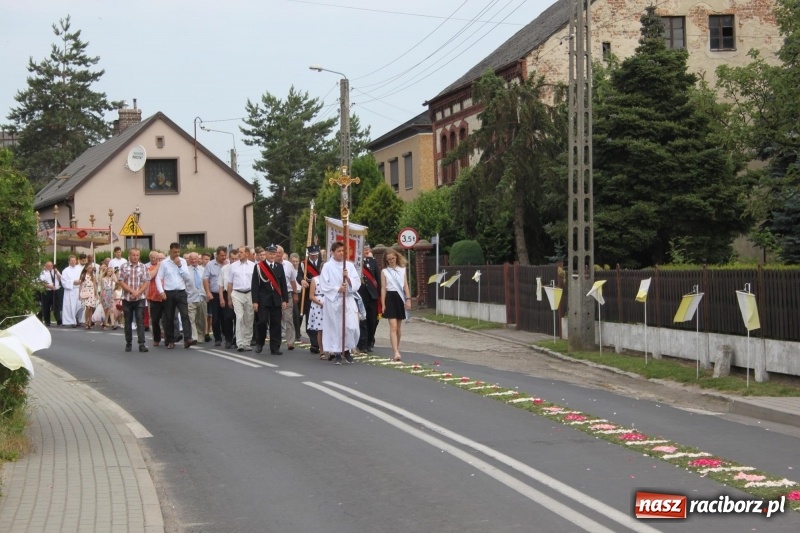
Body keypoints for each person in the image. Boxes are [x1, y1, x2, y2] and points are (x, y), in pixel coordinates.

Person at [318, 241, 361, 364]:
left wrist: (347, 278)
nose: (341, 253)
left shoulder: (349, 265)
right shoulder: (327, 266)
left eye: (343, 251)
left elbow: (357, 282)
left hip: (347, 299)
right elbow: (324, 284)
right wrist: (338, 289)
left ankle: (347, 348)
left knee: (351, 326)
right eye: (339, 251)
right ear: (332, 252)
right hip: (334, 301)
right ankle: (338, 352)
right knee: (336, 327)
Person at [155, 242, 196, 349]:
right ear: (170, 251)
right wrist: (161, 291)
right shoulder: (164, 263)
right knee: (169, 317)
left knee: (185, 315)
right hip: (169, 292)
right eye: (174, 252)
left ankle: (188, 338)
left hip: (181, 291)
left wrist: (180, 266)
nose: (176, 254)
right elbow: (158, 278)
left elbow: (187, 277)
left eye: (178, 252)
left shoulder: (182, 261)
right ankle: (170, 340)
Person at [251, 244, 289, 354]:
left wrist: (285, 300)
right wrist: (255, 301)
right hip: (263, 299)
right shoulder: (259, 267)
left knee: (276, 323)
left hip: (276, 299)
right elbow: (255, 285)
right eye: (270, 253)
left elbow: (283, 285)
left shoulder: (279, 266)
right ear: (266, 254)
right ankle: (260, 343)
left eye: (274, 254)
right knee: (262, 322)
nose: (272, 256)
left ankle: (275, 347)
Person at [381, 249, 412, 362]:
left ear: (396, 258)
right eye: (389, 260)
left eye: (393, 259)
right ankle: (395, 352)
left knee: (398, 328)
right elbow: (383, 288)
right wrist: (383, 303)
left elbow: (406, 286)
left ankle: (397, 349)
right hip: (390, 297)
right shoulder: (384, 272)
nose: (391, 261)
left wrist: (408, 299)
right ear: (387, 260)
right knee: (393, 326)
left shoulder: (402, 270)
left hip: (400, 298)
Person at [118, 248, 150, 352]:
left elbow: (146, 281)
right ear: (129, 255)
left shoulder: (143, 267)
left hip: (139, 298)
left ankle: (142, 344)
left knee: (140, 320)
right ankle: (128, 343)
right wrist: (132, 291)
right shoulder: (124, 266)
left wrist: (138, 292)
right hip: (127, 298)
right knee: (128, 321)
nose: (135, 257)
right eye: (133, 255)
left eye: (137, 255)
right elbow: (121, 281)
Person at [226, 246, 255, 352]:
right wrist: (229, 298)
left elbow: (256, 283)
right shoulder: (233, 266)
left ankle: (247, 342)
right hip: (237, 293)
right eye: (238, 252)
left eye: (241, 252)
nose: (239, 254)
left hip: (250, 293)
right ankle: (240, 343)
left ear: (247, 253)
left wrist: (256, 298)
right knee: (239, 317)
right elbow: (230, 283)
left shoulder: (253, 266)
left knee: (249, 318)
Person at [297, 245, 323, 353]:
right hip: (308, 294)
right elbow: (299, 276)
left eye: (316, 255)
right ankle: (314, 344)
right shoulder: (304, 264)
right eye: (312, 255)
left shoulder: (323, 263)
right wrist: (301, 281)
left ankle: (321, 344)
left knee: (321, 323)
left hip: (321, 294)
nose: (314, 257)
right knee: (310, 320)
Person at [357, 243, 381, 353]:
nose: (366, 251)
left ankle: (370, 341)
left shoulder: (373, 262)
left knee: (372, 320)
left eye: (368, 249)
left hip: (373, 295)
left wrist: (380, 295)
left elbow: (378, 278)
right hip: (361, 295)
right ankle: (362, 343)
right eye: (364, 249)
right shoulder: (356, 263)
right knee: (363, 320)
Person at [203, 246, 227, 346]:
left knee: (226, 317)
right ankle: (217, 338)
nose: (224, 257)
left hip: (226, 293)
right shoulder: (210, 265)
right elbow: (205, 279)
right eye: (222, 255)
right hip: (214, 294)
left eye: (225, 255)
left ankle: (226, 335)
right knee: (215, 317)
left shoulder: (228, 264)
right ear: (217, 255)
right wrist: (208, 292)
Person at [276, 245, 296, 350]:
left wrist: (295, 293)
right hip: (274, 294)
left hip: (287, 294)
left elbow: (293, 280)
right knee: (275, 319)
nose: (278, 255)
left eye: (280, 253)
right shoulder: (270, 265)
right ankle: (276, 340)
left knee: (288, 318)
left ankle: (290, 341)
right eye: (276, 252)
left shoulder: (288, 265)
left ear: (283, 253)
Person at [218, 247, 238, 348]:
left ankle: (237, 338)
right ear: (229, 258)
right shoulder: (224, 269)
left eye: (236, 259)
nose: (234, 261)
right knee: (227, 318)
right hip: (227, 294)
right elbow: (221, 285)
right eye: (232, 259)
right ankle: (228, 339)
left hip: (238, 293)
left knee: (238, 317)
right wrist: (221, 298)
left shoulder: (240, 268)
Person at [186, 252, 208, 343]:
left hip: (202, 297)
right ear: (189, 260)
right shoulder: (186, 271)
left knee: (201, 319)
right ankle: (194, 337)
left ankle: (200, 336)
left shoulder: (203, 270)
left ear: (198, 260)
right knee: (192, 319)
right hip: (191, 297)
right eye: (191, 259)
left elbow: (207, 282)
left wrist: (208, 293)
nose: (193, 261)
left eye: (195, 259)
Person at [61, 255, 85, 327]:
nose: (73, 262)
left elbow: (83, 277)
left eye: (74, 261)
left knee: (81, 305)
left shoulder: (79, 269)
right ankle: (71, 321)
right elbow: (64, 281)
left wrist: (81, 281)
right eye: (71, 261)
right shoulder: (65, 271)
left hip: (79, 289)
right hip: (70, 290)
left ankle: (80, 319)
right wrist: (73, 282)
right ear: (69, 262)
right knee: (71, 306)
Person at [307, 274, 326, 359]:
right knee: (320, 329)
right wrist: (320, 303)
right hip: (318, 305)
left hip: (329, 304)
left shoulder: (331, 279)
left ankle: (331, 350)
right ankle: (322, 351)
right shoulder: (315, 279)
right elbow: (311, 296)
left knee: (330, 328)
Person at [39, 261, 62, 327]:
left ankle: (58, 320)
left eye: (51, 266)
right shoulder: (43, 273)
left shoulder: (55, 271)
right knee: (46, 306)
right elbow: (42, 282)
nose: (50, 267)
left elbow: (60, 279)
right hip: (47, 291)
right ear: (45, 266)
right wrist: (50, 286)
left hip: (55, 290)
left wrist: (57, 273)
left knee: (56, 306)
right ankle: (47, 321)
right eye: (48, 266)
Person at [78, 263, 99, 329]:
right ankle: (86, 321)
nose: (91, 269)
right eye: (89, 268)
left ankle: (90, 321)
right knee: (88, 307)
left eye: (91, 268)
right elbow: (81, 285)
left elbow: (95, 285)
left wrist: (96, 293)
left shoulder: (93, 276)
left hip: (91, 292)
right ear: (86, 268)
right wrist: (79, 294)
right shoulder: (83, 275)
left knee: (91, 307)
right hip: (86, 292)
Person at [99, 264, 118, 330]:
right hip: (105, 294)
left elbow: (116, 281)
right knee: (107, 309)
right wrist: (100, 298)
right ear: (106, 272)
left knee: (111, 309)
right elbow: (101, 288)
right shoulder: (103, 279)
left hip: (110, 293)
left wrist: (114, 274)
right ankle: (105, 323)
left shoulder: (111, 278)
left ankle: (112, 324)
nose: (110, 272)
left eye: (111, 271)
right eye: (109, 271)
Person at [289, 253, 303, 343]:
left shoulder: (301, 269)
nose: (295, 263)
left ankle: (298, 331)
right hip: (293, 293)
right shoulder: (289, 269)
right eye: (293, 261)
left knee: (301, 314)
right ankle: (297, 334)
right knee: (296, 313)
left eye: (296, 261)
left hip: (301, 292)